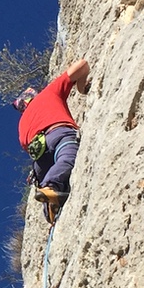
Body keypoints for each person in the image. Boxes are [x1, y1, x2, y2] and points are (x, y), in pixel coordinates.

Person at [13, 58, 91, 220]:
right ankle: (51, 186)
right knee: (68, 159)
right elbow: (82, 65)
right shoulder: (48, 93)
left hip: (39, 155)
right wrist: (82, 88)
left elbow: (26, 145)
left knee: (49, 171)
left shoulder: (22, 124)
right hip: (58, 133)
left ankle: (50, 209)